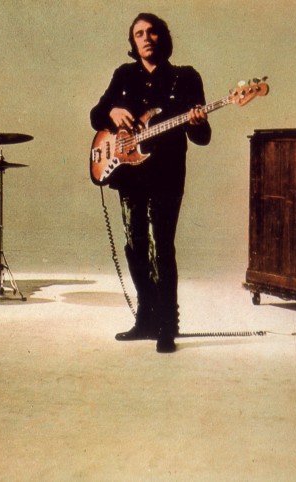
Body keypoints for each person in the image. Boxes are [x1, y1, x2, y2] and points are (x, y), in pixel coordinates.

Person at [90, 13, 211, 353]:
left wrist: (197, 121)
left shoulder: (185, 77)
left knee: (162, 246)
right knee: (135, 246)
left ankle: (167, 325)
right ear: (133, 41)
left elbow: (202, 137)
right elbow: (95, 115)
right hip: (129, 174)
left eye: (152, 32)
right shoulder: (124, 75)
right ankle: (146, 319)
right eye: (139, 33)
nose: (146, 38)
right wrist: (112, 112)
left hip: (167, 174)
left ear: (162, 37)